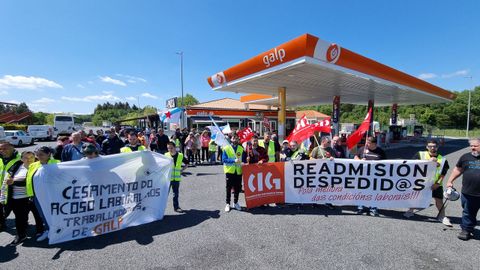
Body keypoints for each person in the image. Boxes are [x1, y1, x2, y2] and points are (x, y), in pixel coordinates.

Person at [403, 140, 452, 226]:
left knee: (438, 200)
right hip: (421, 182)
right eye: (430, 146)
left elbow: (443, 174)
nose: (432, 148)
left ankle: (442, 216)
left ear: (437, 147)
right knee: (416, 197)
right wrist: (428, 162)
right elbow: (411, 165)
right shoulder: (420, 154)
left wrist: (437, 183)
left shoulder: (443, 159)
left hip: (435, 183)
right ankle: (411, 210)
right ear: (427, 147)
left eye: (434, 146)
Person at [446, 138, 480, 241]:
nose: (473, 148)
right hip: (468, 192)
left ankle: (468, 226)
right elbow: (458, 169)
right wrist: (450, 181)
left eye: (476, 146)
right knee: (468, 212)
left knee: (469, 212)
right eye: (471, 146)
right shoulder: (465, 157)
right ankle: (466, 230)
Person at [1, 151, 38, 245]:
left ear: (35, 158)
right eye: (26, 157)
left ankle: (22, 235)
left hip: (27, 198)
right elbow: (8, 179)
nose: (28, 159)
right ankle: (22, 232)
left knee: (28, 217)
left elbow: (32, 182)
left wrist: (14, 182)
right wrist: (3, 195)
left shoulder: (37, 167)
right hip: (13, 197)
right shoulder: (17, 165)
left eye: (31, 157)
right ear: (21, 159)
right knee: (18, 217)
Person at [27, 146, 60, 242]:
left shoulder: (57, 163)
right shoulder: (33, 165)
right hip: (38, 195)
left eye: (41, 154)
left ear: (49, 154)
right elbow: (29, 180)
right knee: (43, 214)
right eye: (37, 154)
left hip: (53, 194)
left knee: (55, 213)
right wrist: (31, 194)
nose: (38, 156)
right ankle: (48, 230)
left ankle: (58, 230)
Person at [354, 136, 386, 216]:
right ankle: (361, 207)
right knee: (361, 191)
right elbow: (355, 157)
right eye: (366, 142)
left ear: (374, 144)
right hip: (363, 175)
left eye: (368, 142)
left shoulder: (380, 151)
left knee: (374, 192)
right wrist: (360, 161)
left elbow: (386, 163)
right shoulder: (362, 149)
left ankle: (373, 208)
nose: (366, 144)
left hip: (375, 176)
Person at [0, 141, 21, 231]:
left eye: (5, 148)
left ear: (12, 147)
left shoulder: (20, 159)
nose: (2, 150)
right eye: (0, 149)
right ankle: (2, 224)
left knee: (16, 211)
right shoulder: (0, 158)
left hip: (14, 189)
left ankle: (22, 229)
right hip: (2, 189)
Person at [222, 135, 246, 212]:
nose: (235, 139)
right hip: (229, 171)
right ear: (231, 139)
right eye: (233, 138)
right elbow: (224, 159)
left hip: (238, 171)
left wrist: (245, 161)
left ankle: (235, 202)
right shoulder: (227, 148)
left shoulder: (241, 148)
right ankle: (227, 203)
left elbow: (244, 160)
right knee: (228, 188)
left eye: (236, 138)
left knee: (237, 188)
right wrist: (233, 160)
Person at [165, 142, 189, 212]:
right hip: (168, 179)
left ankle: (176, 207)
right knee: (165, 194)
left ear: (175, 147)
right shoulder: (166, 155)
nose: (170, 149)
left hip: (176, 179)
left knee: (175, 194)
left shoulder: (180, 155)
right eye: (168, 148)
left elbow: (187, 163)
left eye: (171, 148)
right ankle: (162, 208)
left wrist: (182, 170)